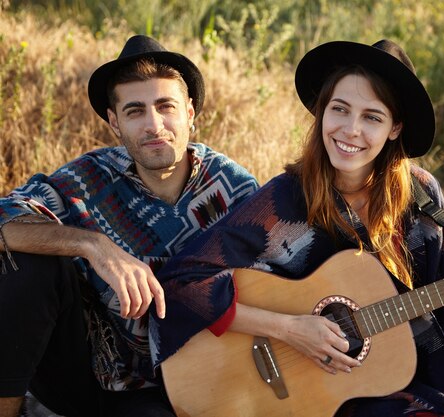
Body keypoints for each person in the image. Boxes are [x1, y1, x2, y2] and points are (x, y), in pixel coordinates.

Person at [153, 40, 444, 417]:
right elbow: (182, 283)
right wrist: (290, 329)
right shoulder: (286, 200)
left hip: (382, 378)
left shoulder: (421, 197)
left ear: (394, 128)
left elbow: (422, 313)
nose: (350, 130)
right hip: (304, 390)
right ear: (322, 112)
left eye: (372, 116)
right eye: (340, 109)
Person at [0, 35, 258, 417]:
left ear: (189, 113)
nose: (154, 125)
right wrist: (93, 245)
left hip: (185, 383)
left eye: (165, 106)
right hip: (84, 374)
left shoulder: (235, 191)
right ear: (115, 123)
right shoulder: (87, 179)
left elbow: (282, 283)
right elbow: (6, 217)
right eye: (135, 111)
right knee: (26, 260)